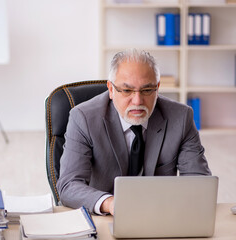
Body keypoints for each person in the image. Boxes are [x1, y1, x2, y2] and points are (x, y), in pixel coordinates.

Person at [56, 49, 211, 215]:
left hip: (159, 215)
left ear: (157, 88)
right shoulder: (84, 118)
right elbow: (68, 185)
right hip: (104, 216)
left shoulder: (180, 117)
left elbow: (199, 183)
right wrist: (109, 203)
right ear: (111, 89)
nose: (137, 101)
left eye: (146, 90)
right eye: (127, 91)